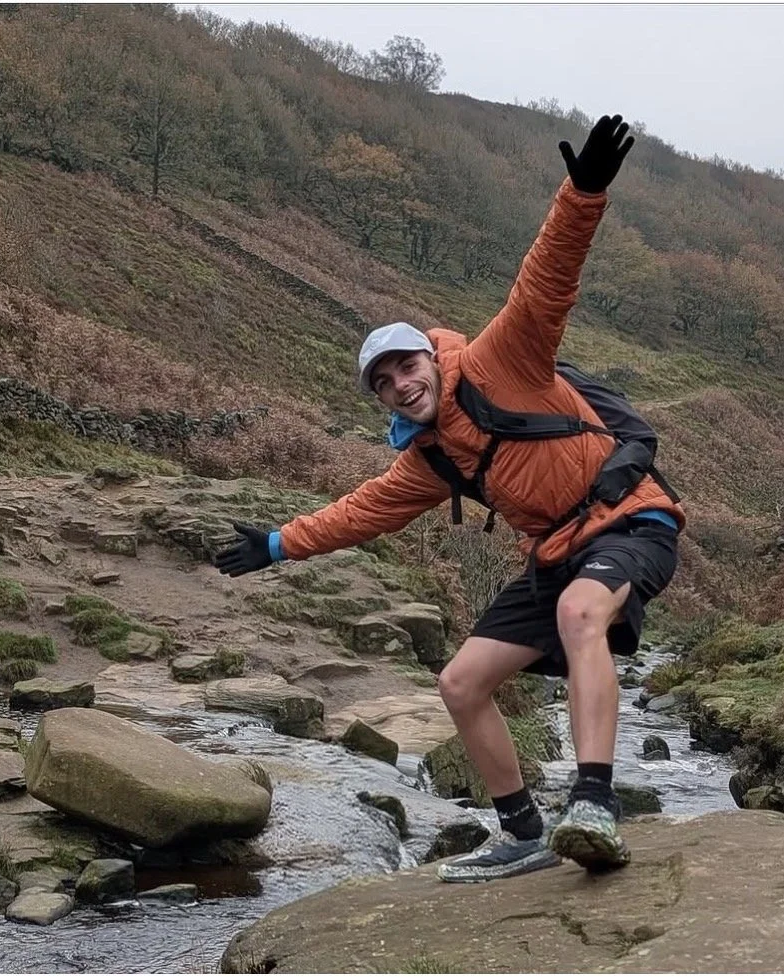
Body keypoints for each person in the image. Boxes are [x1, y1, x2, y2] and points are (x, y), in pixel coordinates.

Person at [214, 115, 684, 883]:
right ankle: (523, 831)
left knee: (577, 615)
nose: (402, 384)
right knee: (460, 681)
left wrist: (583, 191)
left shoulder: (503, 360)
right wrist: (275, 545)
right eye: (385, 384)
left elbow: (545, 279)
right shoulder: (429, 458)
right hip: (559, 551)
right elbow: (359, 511)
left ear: (431, 356)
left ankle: (593, 804)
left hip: (631, 517)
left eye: (406, 366)